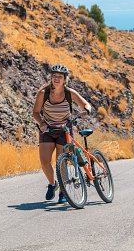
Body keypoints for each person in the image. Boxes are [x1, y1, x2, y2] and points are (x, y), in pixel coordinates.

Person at [32, 64, 92, 203]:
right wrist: (41, 123)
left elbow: (85, 104)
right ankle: (52, 185)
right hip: (47, 129)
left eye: (60, 77)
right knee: (44, 161)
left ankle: (63, 192)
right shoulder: (43, 93)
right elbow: (35, 112)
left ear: (65, 79)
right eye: (54, 76)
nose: (56, 79)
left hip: (64, 130)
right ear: (51, 78)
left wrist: (87, 109)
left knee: (62, 162)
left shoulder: (70, 93)